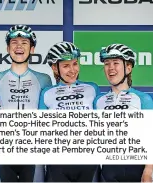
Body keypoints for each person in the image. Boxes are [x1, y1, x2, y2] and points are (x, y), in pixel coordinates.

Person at [0, 24, 52, 182]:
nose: (19, 46)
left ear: (32, 49)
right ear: (7, 48)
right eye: (14, 42)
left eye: (24, 43)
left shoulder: (44, 79)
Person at [39, 41, 101, 182]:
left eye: (75, 64)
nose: (72, 70)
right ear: (55, 68)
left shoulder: (92, 88)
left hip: (88, 160)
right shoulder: (47, 93)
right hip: (58, 162)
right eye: (66, 66)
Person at [94, 43, 153, 182]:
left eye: (116, 63)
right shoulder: (98, 101)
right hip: (108, 172)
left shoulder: (142, 99)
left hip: (136, 170)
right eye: (107, 63)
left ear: (128, 67)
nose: (111, 68)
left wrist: (148, 170)